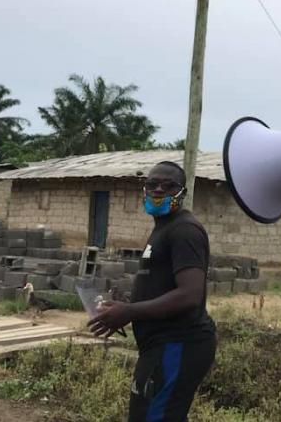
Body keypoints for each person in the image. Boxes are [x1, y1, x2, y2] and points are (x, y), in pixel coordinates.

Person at [88, 161, 216, 422]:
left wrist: (131, 311)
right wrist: (126, 305)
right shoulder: (164, 227)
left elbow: (190, 295)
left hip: (178, 344)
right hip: (161, 346)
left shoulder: (184, 230)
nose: (158, 190)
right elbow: (163, 282)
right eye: (152, 184)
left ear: (182, 193)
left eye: (168, 186)